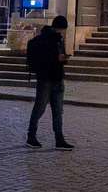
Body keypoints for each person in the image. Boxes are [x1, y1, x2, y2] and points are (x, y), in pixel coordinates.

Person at [24, 15, 73, 150]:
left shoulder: (58, 39)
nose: (63, 32)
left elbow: (57, 57)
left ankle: (59, 139)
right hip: (46, 79)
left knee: (57, 111)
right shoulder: (44, 39)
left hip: (57, 77)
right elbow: (45, 59)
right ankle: (31, 136)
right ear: (59, 28)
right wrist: (58, 58)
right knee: (40, 108)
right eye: (63, 29)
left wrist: (62, 59)